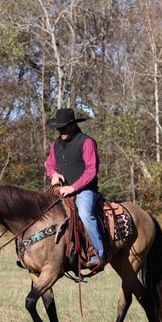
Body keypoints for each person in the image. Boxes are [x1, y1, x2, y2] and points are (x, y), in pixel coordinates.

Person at [45, 107, 105, 269]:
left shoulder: (87, 142)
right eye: (58, 128)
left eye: (63, 127)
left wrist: (73, 187)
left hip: (85, 190)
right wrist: (53, 174)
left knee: (85, 215)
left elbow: (91, 170)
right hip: (61, 189)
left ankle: (98, 253)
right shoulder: (55, 144)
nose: (61, 130)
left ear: (73, 125)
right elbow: (50, 164)